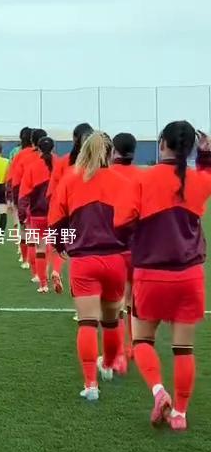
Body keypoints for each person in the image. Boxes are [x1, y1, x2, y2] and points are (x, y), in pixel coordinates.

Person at [129, 121, 211, 431]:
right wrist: (206, 155)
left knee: (141, 340)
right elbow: (206, 175)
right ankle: (180, 414)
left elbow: (122, 221)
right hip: (190, 276)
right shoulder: (198, 181)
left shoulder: (143, 179)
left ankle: (158, 391)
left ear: (162, 143)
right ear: (189, 149)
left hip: (151, 274)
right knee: (184, 350)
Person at [48, 131, 136, 402]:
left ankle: (91, 385)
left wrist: (61, 249)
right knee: (112, 321)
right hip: (115, 260)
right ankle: (108, 365)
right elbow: (134, 224)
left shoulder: (70, 179)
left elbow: (56, 223)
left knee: (87, 323)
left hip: (84, 261)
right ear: (111, 153)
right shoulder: (122, 182)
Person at [108, 132, 143, 374]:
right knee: (133, 299)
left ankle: (120, 353)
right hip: (139, 247)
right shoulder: (143, 177)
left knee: (116, 302)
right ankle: (134, 348)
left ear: (113, 150)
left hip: (113, 246)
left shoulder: (106, 176)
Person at [19, 131, 63, 293]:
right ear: (53, 148)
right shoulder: (61, 164)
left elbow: (24, 194)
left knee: (40, 247)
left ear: (37, 148)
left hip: (38, 213)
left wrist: (22, 215)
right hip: (57, 212)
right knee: (58, 246)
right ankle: (56, 271)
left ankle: (43, 284)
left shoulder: (32, 167)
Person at [6, 128, 35, 267]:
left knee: (22, 224)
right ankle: (37, 259)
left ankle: (25, 257)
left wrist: (10, 196)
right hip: (39, 194)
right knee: (36, 227)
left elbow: (12, 177)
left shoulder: (18, 155)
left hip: (22, 193)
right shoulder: (41, 155)